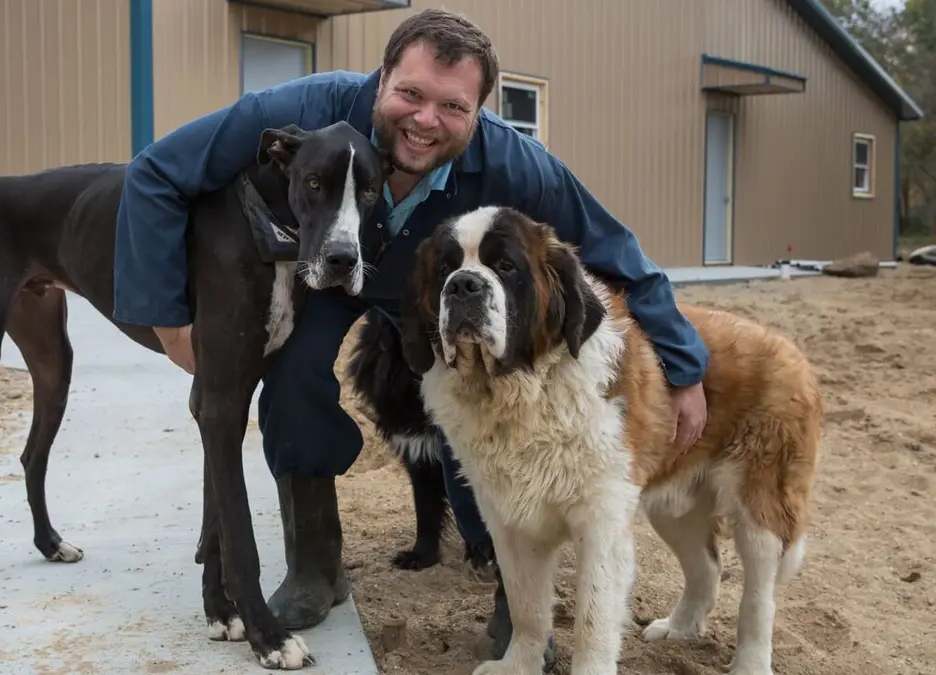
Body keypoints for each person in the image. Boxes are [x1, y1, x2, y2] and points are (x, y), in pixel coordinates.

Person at [113, 6, 710, 638]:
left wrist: (687, 366)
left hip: (436, 293)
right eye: (410, 94)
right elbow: (155, 172)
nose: (426, 121)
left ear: (479, 113)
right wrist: (167, 320)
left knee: (480, 397)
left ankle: (511, 584)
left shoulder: (516, 163)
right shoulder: (302, 108)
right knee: (291, 379)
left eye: (453, 107)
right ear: (381, 79)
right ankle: (315, 563)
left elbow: (618, 252)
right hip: (330, 279)